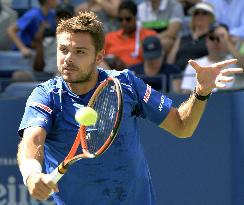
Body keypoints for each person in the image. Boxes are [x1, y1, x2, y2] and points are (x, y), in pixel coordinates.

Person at [17, 11, 243, 205]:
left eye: (80, 52)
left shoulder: (124, 84)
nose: (68, 58)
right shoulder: (46, 94)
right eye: (63, 49)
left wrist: (201, 92)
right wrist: (31, 173)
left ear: (99, 57)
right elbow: (33, 140)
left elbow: (182, 126)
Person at [181, 24, 244, 93]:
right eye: (212, 38)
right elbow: (186, 93)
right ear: (206, 41)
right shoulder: (195, 65)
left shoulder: (236, 61)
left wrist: (227, 42)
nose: (215, 42)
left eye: (221, 37)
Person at [104, 0, 157, 67]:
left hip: (138, 75)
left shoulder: (149, 35)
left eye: (128, 19)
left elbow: (153, 61)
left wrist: (124, 67)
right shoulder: (109, 37)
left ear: (136, 18)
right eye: (120, 19)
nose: (124, 23)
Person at [167, 2, 215, 71]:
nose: (200, 16)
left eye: (204, 13)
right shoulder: (182, 38)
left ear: (210, 17)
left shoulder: (213, 37)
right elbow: (170, 61)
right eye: (196, 13)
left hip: (200, 75)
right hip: (178, 76)